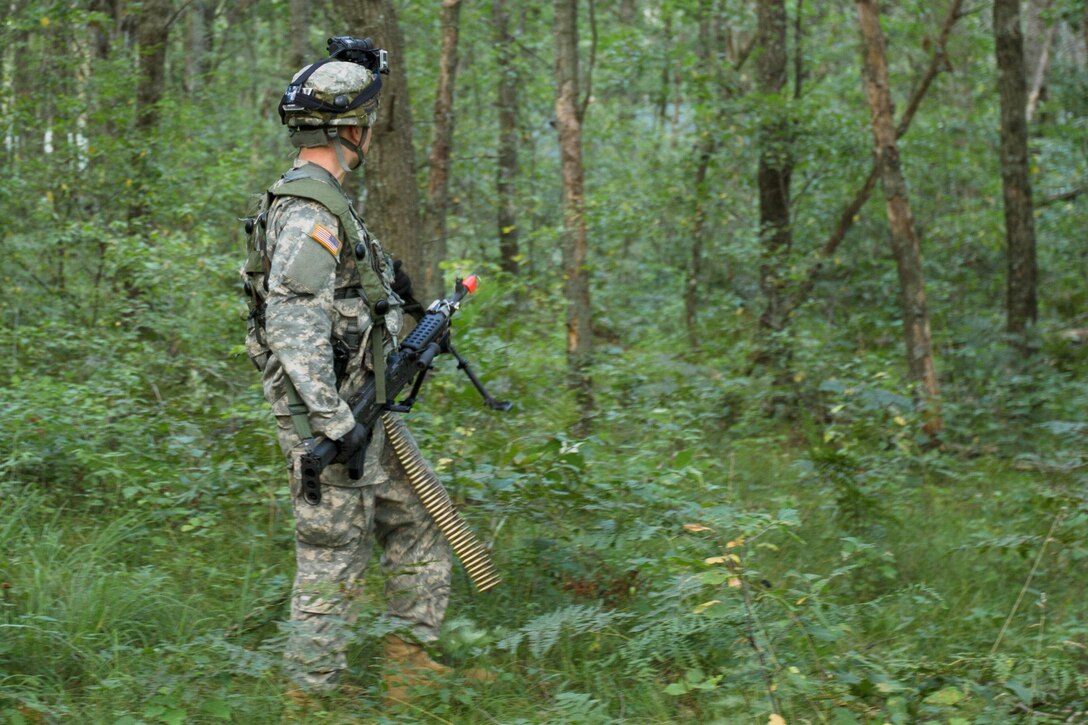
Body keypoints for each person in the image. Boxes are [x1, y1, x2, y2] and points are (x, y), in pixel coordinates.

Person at [241, 50, 457, 707]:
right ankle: (308, 696)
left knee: (418, 516)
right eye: (362, 123)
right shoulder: (310, 211)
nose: (367, 134)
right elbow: (291, 325)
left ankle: (409, 665)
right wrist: (334, 423)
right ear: (347, 131)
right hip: (332, 418)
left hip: (364, 404)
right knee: (333, 551)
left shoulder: (325, 201)